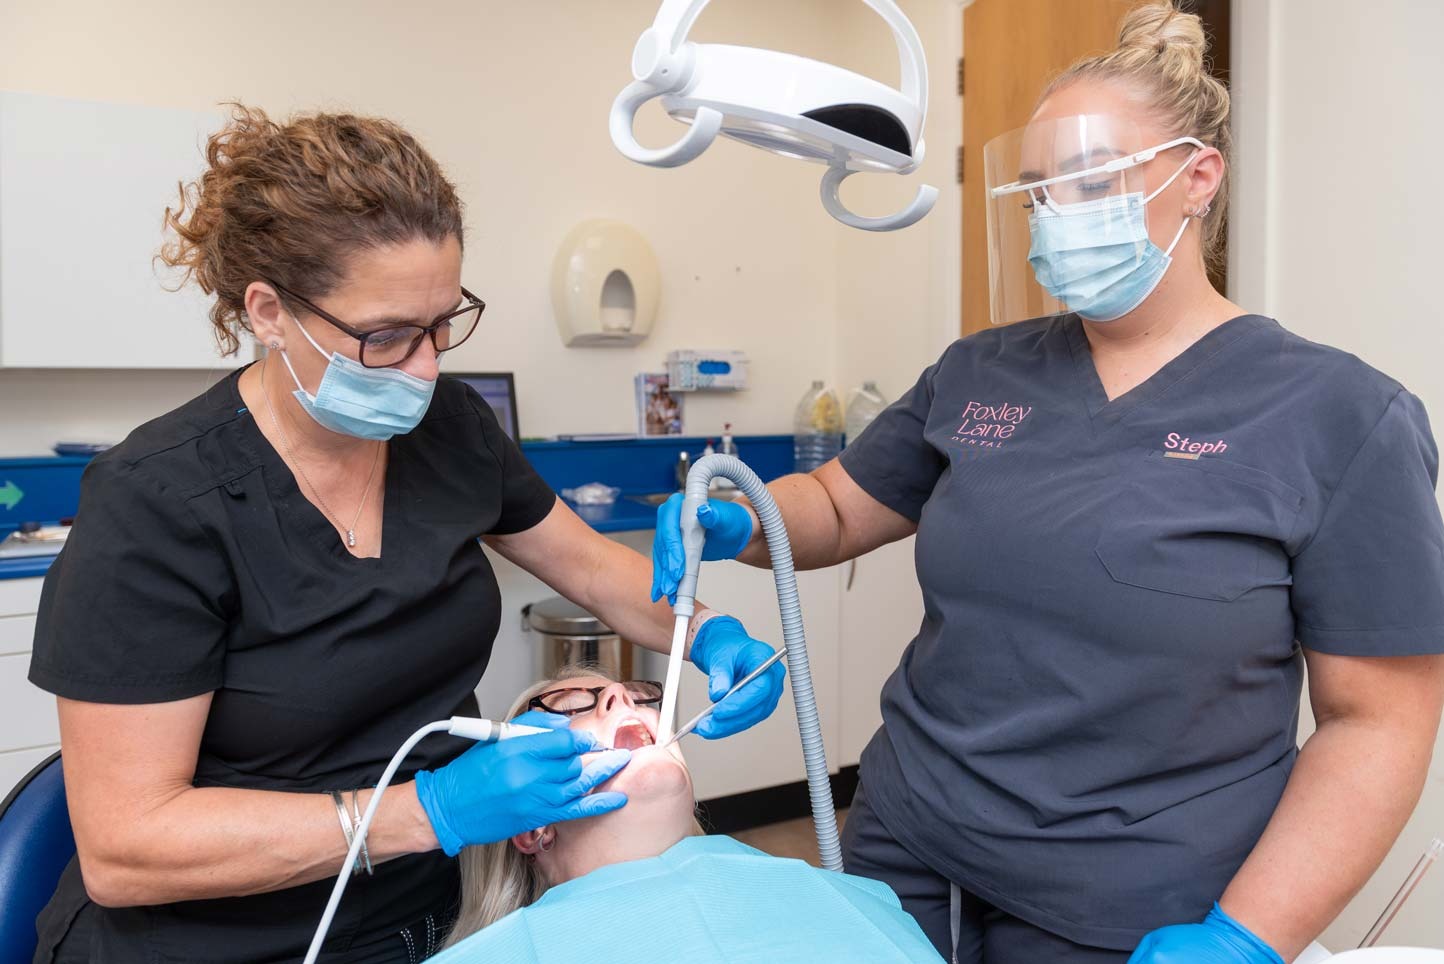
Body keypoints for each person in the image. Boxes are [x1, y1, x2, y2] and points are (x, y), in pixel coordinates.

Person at [651, 4, 1444, 962]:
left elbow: (1379, 724)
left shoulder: (1341, 418)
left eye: (1091, 180)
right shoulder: (980, 372)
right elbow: (836, 506)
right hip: (909, 847)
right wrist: (737, 517)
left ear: (1198, 177)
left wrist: (1246, 938)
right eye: (1036, 191)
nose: (1058, 212)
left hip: (1137, 899)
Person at [26, 104, 785, 963]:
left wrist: (709, 631)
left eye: (442, 323)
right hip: (223, 940)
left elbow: (599, 574)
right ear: (271, 312)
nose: (426, 367)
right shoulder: (157, 504)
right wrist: (432, 811)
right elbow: (127, 850)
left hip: (436, 915)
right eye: (384, 337)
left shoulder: (450, 429)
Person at [429, 666, 944, 963]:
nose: (618, 696)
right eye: (572, 704)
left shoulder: (853, 900)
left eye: (636, 696)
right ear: (530, 824)